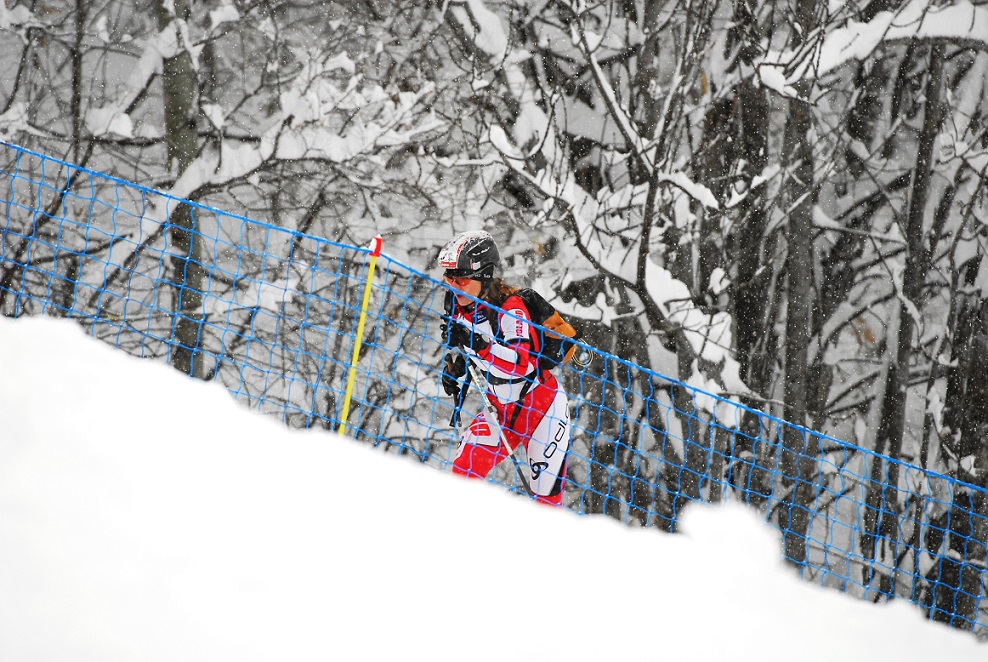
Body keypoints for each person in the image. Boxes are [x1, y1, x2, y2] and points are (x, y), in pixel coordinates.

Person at [437, 230, 571, 506]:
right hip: (501, 408)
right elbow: (479, 350)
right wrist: (458, 366)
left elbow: (521, 364)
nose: (454, 286)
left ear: (484, 276)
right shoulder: (458, 306)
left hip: (541, 408)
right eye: (449, 277)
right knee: (463, 474)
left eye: (461, 279)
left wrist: (480, 344)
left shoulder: (513, 310)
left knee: (546, 503)